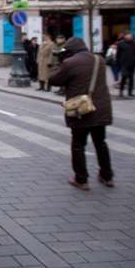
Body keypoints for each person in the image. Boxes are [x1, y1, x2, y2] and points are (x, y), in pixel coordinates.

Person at [49, 37, 114, 190]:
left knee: (78, 144)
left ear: (70, 51)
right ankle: (107, 176)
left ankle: (81, 179)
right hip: (100, 108)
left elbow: (54, 80)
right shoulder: (99, 60)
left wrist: (59, 63)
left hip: (81, 109)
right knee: (101, 143)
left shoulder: (70, 63)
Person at [116, 32, 135, 98]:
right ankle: (121, 91)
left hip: (132, 63)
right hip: (124, 63)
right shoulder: (121, 44)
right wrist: (118, 62)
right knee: (124, 76)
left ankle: (130, 92)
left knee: (131, 78)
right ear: (125, 36)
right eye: (127, 35)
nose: (129, 37)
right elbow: (118, 54)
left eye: (130, 35)